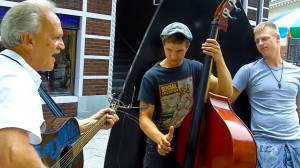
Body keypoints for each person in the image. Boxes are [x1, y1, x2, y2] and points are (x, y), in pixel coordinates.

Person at [0, 0, 119, 167]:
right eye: (56, 37)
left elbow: (38, 132)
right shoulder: (15, 80)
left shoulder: (9, 71)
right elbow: (11, 153)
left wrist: (90, 122)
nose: (63, 45)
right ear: (28, 40)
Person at [138, 22, 232, 168]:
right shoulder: (151, 76)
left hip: (190, 139)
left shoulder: (196, 68)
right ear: (163, 45)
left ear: (187, 47)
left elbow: (226, 92)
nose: (173, 56)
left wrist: (219, 59)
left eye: (179, 51)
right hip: (160, 142)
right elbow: (144, 117)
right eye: (169, 50)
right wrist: (160, 138)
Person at [229, 22, 300, 168]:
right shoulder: (248, 71)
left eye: (264, 38)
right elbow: (227, 100)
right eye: (257, 41)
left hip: (295, 144)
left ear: (277, 38)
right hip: (266, 145)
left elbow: (298, 106)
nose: (260, 43)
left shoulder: (296, 72)